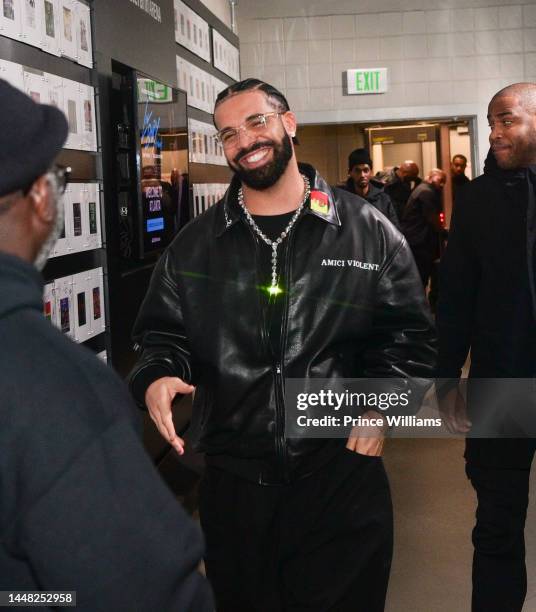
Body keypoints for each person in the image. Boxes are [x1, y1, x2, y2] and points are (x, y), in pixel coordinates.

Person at [129, 78, 437, 612]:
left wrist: (381, 408)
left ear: (288, 123)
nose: (244, 141)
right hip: (234, 488)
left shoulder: (367, 231)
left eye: (257, 122)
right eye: (228, 133)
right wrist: (156, 374)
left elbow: (411, 342)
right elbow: (160, 334)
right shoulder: (195, 247)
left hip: (340, 480)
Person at [0, 80, 212, 611]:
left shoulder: (361, 227)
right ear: (43, 196)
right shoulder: (51, 388)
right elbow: (143, 595)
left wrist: (376, 406)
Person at [437, 82, 536, 612]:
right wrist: (446, 377)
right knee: (498, 522)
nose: (494, 132)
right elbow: (456, 297)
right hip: (503, 384)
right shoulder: (477, 199)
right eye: (491, 122)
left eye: (507, 120)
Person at [400, 168, 447, 290]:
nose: (442, 185)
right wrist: (443, 232)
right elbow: (432, 218)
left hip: (416, 239)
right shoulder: (426, 192)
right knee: (422, 276)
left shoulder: (422, 189)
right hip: (420, 241)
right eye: (440, 180)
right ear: (431, 177)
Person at [340, 148, 400, 229]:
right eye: (357, 170)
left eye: (366, 170)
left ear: (371, 172)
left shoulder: (383, 200)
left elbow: (394, 231)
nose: (362, 175)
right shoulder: (342, 200)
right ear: (350, 172)